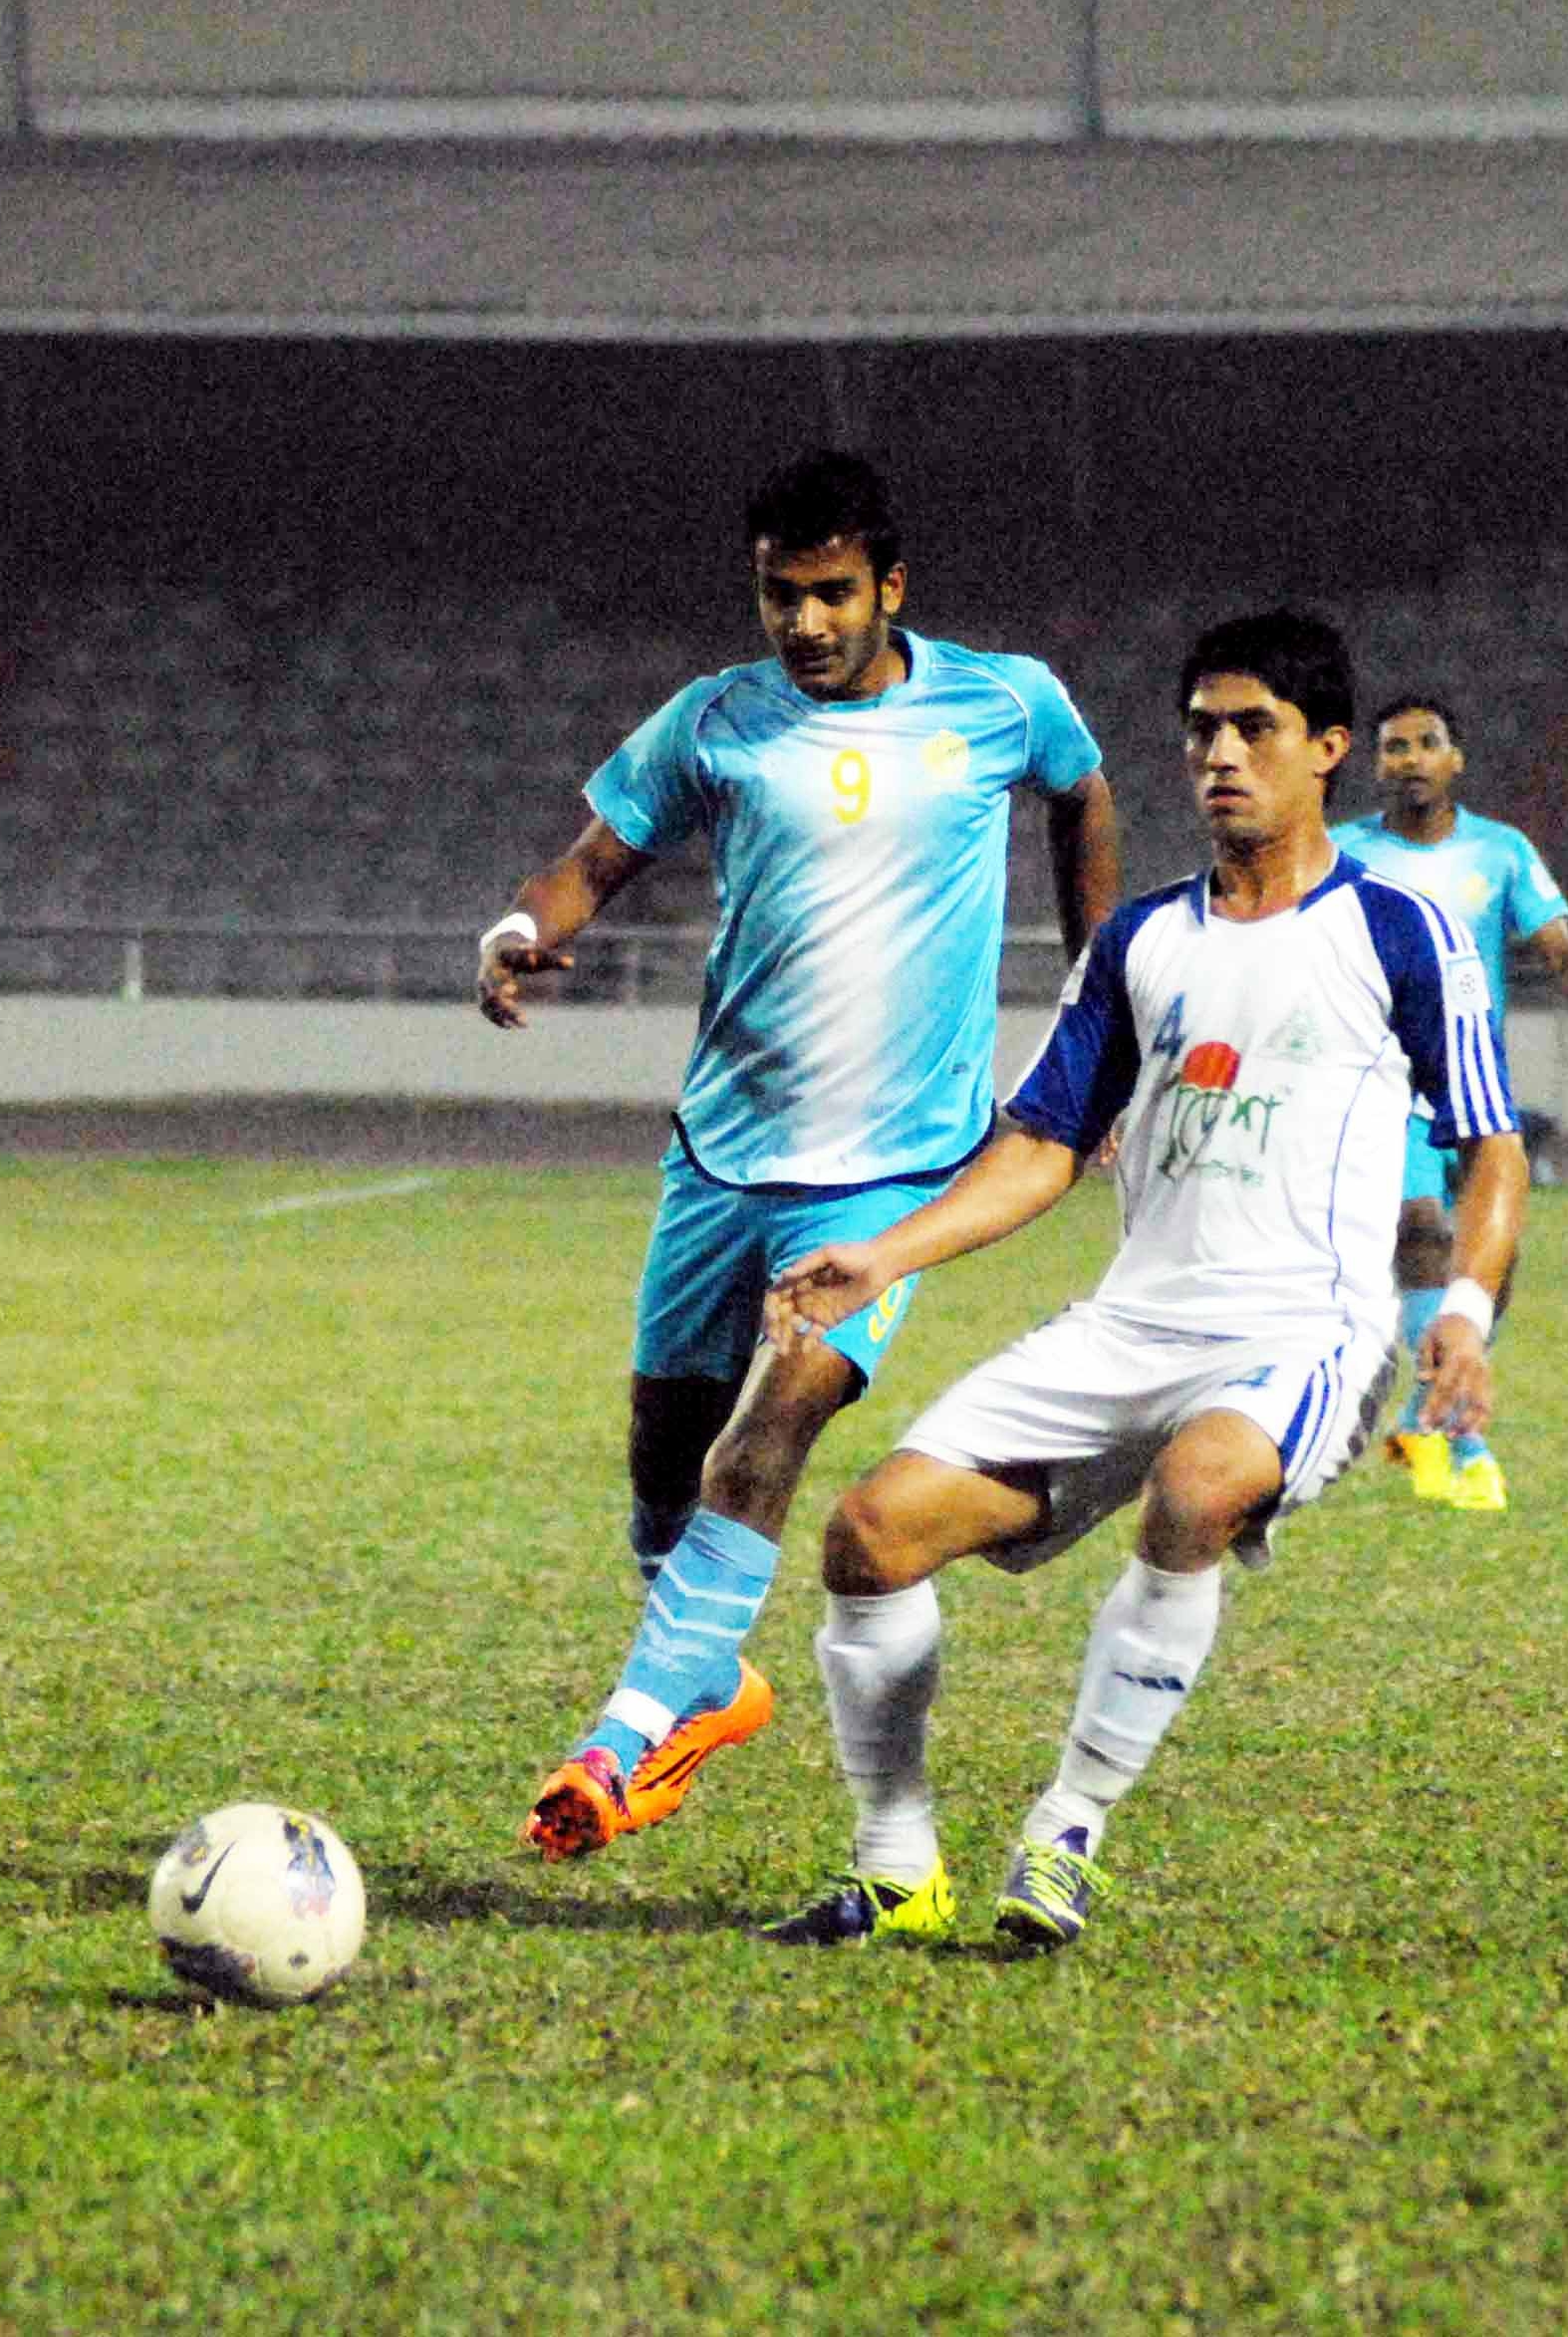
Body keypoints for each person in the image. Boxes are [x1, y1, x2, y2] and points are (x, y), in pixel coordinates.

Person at [757, 609, 1527, 1951]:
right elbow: (1042, 1148)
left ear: (1326, 750)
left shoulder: (1401, 934)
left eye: (1255, 730)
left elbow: (1493, 1150)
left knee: (1197, 1490)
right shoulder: (1139, 947)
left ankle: (1066, 1832)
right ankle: (896, 1867)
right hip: (1128, 1325)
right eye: (1201, 732)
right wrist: (882, 1251)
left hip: (1304, 1333)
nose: (1220, 756)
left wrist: (1460, 1312)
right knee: (868, 1538)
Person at [477, 447, 1121, 1863]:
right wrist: (523, 932)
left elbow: (1083, 798)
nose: (807, 624)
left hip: (891, 1179)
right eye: (781, 596)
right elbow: (588, 864)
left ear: (892, 585)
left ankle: (617, 1742)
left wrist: (1097, 998)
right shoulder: (717, 722)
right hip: (721, 1154)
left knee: (768, 1435)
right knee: (662, 1470)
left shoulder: (1005, 701)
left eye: (833, 594)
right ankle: (710, 1688)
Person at [1332, 696, 1568, 1510]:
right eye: (1394, 747)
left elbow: (1557, 948)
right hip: (1380, 1084)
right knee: (1421, 1233)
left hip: (1473, 1082)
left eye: (1426, 744)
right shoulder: (1342, 855)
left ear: (1456, 759)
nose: (1410, 759)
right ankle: (1461, 1433)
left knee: (1488, 1263)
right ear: (1374, 765)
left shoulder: (1501, 851)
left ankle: (1420, 1416)